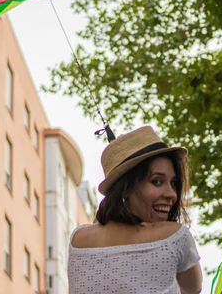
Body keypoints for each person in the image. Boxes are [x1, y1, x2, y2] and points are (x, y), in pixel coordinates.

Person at [68, 126, 203, 294]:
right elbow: (193, 289)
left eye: (173, 183)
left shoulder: (79, 239)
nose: (172, 195)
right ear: (126, 187)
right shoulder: (175, 237)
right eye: (157, 182)